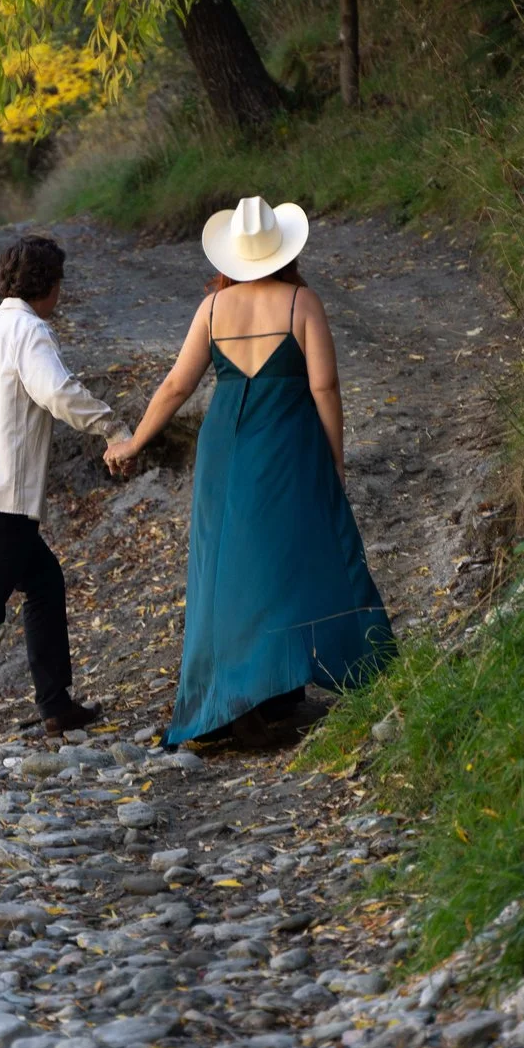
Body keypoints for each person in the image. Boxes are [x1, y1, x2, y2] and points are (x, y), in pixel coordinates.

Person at [105, 197, 394, 744]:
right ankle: (322, 672)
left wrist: (134, 441)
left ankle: (247, 695)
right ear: (283, 250)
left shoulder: (212, 308)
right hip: (288, 439)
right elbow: (325, 387)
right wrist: (334, 456)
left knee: (228, 568)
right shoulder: (301, 303)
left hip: (225, 447)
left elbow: (175, 387)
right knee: (296, 552)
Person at [0, 235, 127, 765]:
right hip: (2, 498)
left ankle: (56, 704)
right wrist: (112, 426)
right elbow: (56, 393)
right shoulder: (30, 332)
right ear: (51, 288)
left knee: (42, 581)